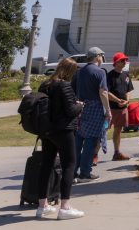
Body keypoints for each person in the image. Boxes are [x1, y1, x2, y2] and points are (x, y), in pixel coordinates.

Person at [35, 58, 85, 220]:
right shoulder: (64, 85)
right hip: (63, 130)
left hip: (47, 131)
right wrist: (80, 105)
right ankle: (65, 207)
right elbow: (70, 110)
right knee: (69, 165)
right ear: (70, 70)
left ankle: (42, 205)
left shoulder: (45, 85)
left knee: (46, 165)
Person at [71, 47, 111, 182]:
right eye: (102, 56)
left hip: (81, 108)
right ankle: (85, 173)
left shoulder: (80, 72)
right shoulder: (100, 72)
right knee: (91, 141)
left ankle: (72, 172)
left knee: (78, 140)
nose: (102, 59)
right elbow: (103, 92)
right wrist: (108, 111)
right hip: (95, 108)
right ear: (97, 56)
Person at [106, 52, 134, 160]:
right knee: (103, 131)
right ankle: (94, 155)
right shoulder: (110, 75)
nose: (125, 62)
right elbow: (106, 92)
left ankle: (116, 153)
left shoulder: (126, 75)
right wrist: (117, 100)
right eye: (122, 60)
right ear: (116, 62)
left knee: (118, 130)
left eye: (125, 60)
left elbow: (128, 90)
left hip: (122, 108)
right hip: (110, 108)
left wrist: (127, 101)